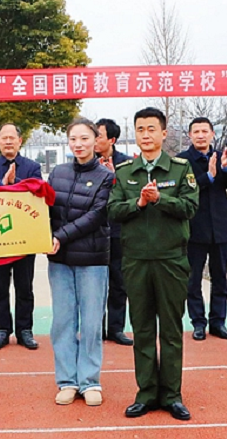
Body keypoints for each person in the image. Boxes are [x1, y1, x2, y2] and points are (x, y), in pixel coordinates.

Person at [108, 107, 199, 422]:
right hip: (136, 261)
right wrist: (139, 202)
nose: (145, 134)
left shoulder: (179, 169)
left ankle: (172, 395)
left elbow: (190, 206)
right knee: (143, 328)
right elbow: (113, 210)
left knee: (171, 330)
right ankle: (146, 393)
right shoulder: (124, 172)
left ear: (163, 133)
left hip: (171, 260)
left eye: (151, 129)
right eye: (140, 129)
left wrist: (162, 199)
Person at [46, 117, 114, 407]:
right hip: (59, 260)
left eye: (85, 138)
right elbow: (44, 208)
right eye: (73, 138)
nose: (79, 144)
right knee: (62, 321)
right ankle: (67, 381)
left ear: (96, 140)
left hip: (93, 260)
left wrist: (60, 235)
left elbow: (97, 215)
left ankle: (90, 380)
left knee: (90, 322)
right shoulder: (57, 172)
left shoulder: (106, 177)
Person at [0, 123, 43, 350]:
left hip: (25, 238)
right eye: (3, 138)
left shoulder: (32, 167)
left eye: (12, 138)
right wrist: (2, 184)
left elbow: (38, 194)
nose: (8, 141)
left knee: (25, 287)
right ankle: (2, 330)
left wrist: (16, 184)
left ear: (19, 140)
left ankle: (25, 330)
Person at [177, 117, 227, 341]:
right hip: (194, 229)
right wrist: (209, 177)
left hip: (221, 228)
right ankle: (198, 323)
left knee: (220, 277)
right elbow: (184, 189)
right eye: (196, 131)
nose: (201, 135)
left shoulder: (221, 155)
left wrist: (226, 168)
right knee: (193, 279)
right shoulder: (182, 161)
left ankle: (218, 322)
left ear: (212, 134)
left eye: (205, 131)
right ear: (190, 135)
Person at [94, 118, 133, 346]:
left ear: (112, 139)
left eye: (98, 136)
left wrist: (114, 178)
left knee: (119, 282)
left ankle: (116, 328)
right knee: (95, 283)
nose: (95, 140)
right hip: (95, 231)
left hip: (119, 231)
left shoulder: (126, 164)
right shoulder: (87, 163)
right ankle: (95, 328)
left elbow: (131, 194)